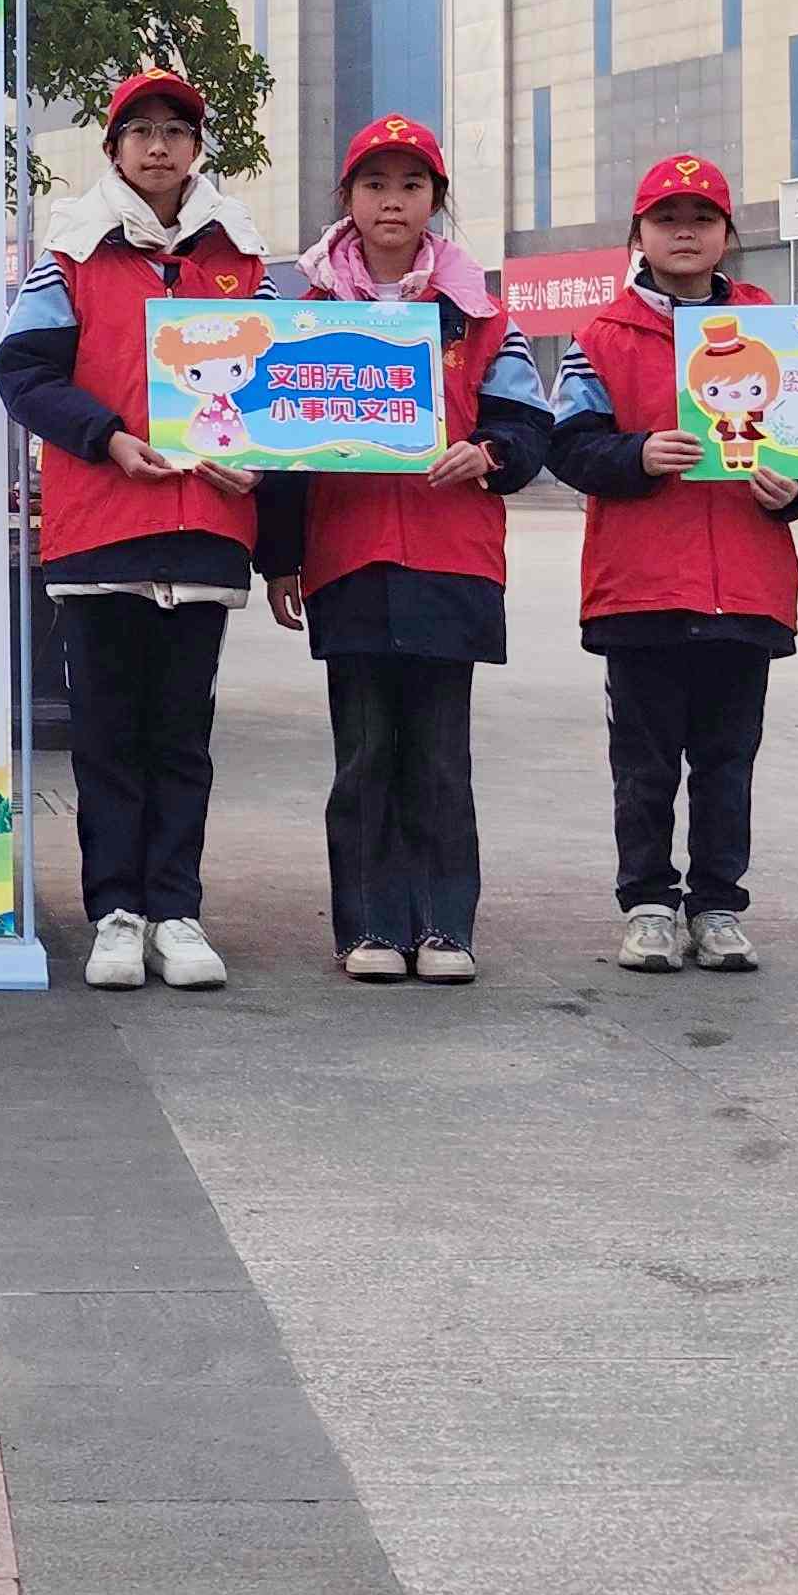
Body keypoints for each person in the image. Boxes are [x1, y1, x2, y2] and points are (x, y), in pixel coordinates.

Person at [0, 68, 278, 993]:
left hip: (203, 532)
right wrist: (107, 438)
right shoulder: (71, 253)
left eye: (177, 131)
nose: (159, 146)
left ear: (197, 149)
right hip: (102, 532)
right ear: (113, 148)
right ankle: (116, 914)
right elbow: (22, 372)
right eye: (140, 130)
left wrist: (264, 464)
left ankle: (177, 912)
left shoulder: (243, 257)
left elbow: (282, 393)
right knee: (108, 738)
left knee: (182, 738)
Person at [257, 115, 554, 983]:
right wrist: (281, 558)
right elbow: (280, 448)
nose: (394, 201)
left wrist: (488, 453)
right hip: (349, 558)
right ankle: (369, 928)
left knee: (439, 756)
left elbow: (527, 424)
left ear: (436, 202)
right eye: (376, 185)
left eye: (412, 186)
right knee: (363, 754)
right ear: (346, 199)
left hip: (450, 558)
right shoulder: (304, 317)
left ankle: (445, 927)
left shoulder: (479, 316)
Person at [548, 156, 798, 973]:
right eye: (665, 218)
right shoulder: (601, 337)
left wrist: (797, 490)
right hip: (640, 588)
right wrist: (637, 455)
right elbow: (567, 445)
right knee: (643, 764)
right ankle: (646, 903)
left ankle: (717, 906)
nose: (684, 232)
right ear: (637, 234)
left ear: (726, 235)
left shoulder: (774, 330)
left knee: (727, 762)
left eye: (702, 218)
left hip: (746, 585)